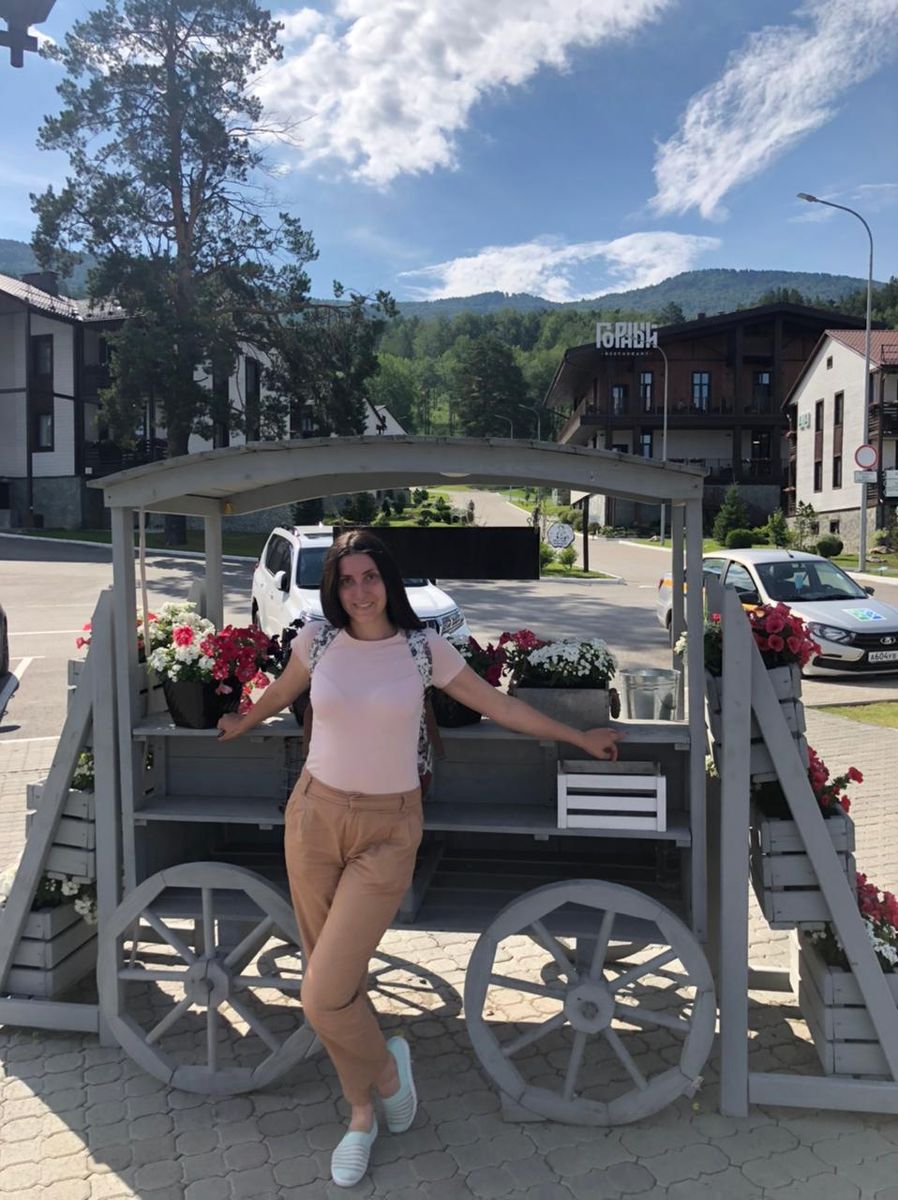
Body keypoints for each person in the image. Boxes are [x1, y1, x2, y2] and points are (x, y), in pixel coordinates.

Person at [218, 529, 623, 1187]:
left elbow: (498, 706)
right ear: (334, 588)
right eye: (346, 580)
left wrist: (577, 735)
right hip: (313, 819)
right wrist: (242, 720)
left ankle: (386, 1073)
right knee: (335, 985)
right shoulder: (316, 640)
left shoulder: (421, 647)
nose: (359, 591)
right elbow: (281, 693)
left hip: (388, 830)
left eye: (370, 577)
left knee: (321, 994)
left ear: (389, 581)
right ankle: (362, 1110)